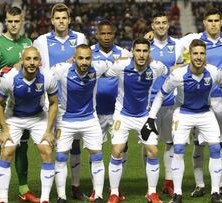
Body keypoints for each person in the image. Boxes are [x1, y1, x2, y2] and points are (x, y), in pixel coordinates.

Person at [143, 39, 222, 203]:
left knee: (215, 149)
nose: (199, 57)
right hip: (183, 114)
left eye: (202, 53)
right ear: (189, 55)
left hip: (206, 113)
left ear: (205, 55)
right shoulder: (178, 75)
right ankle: (177, 194)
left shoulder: (213, 72)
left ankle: (215, 193)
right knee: (178, 149)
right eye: (195, 53)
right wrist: (151, 117)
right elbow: (161, 94)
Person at [179, 8, 222, 197]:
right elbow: (171, 45)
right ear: (204, 22)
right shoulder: (193, 40)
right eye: (209, 20)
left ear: (221, 22)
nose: (213, 24)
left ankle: (221, 184)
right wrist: (149, 36)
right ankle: (199, 185)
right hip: (201, 101)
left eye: (216, 20)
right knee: (199, 144)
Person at [33, 3, 88, 200]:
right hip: (49, 102)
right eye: (58, 18)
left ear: (69, 19)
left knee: (74, 146)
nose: (61, 21)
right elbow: (35, 66)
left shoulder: (80, 38)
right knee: (50, 145)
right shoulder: (41, 41)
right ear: (52, 20)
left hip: (74, 103)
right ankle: (55, 192)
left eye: (64, 18)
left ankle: (74, 187)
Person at [0, 6, 39, 203]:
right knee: (2, 149)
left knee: (22, 149)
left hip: (25, 108)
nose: (14, 25)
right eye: (10, 21)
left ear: (22, 20)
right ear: (6, 22)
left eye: (17, 21)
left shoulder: (28, 43)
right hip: (3, 108)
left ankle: (23, 189)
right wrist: (3, 72)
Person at [106, 38, 167, 203]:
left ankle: (152, 193)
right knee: (117, 150)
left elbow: (170, 70)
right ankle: (114, 193)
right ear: (132, 51)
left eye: (145, 51)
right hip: (122, 115)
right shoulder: (121, 66)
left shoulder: (156, 68)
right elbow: (104, 71)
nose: (141, 54)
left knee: (153, 151)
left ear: (149, 53)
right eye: (138, 50)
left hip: (143, 116)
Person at [0, 46, 58, 203]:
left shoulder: (48, 77)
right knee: (7, 152)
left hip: (38, 117)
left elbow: (54, 104)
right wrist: (4, 129)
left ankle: (45, 199)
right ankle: (2, 198)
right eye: (28, 59)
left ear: (40, 62)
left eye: (35, 59)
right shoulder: (9, 78)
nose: (31, 62)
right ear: (22, 60)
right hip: (14, 117)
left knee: (47, 151)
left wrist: (49, 130)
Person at [52, 45, 106, 203]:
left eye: (87, 58)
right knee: (61, 157)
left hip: (89, 119)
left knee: (97, 155)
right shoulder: (62, 69)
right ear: (74, 58)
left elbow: (116, 63)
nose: (84, 61)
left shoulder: (98, 67)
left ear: (91, 59)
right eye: (80, 58)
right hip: (66, 120)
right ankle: (61, 196)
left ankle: (99, 195)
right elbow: (43, 75)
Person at [89, 19, 131, 202]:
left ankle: (117, 184)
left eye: (109, 33)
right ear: (97, 35)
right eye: (102, 33)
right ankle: (95, 188)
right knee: (95, 150)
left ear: (114, 34)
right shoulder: (88, 53)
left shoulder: (124, 53)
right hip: (95, 111)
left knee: (121, 149)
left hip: (118, 112)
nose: (106, 37)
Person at [147, 12, 184, 197]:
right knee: (148, 144)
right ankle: (150, 186)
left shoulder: (177, 45)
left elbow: (182, 67)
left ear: (168, 25)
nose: (161, 26)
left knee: (170, 143)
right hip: (148, 104)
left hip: (170, 102)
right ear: (152, 26)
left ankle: (168, 182)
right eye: (157, 23)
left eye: (164, 23)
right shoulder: (145, 46)